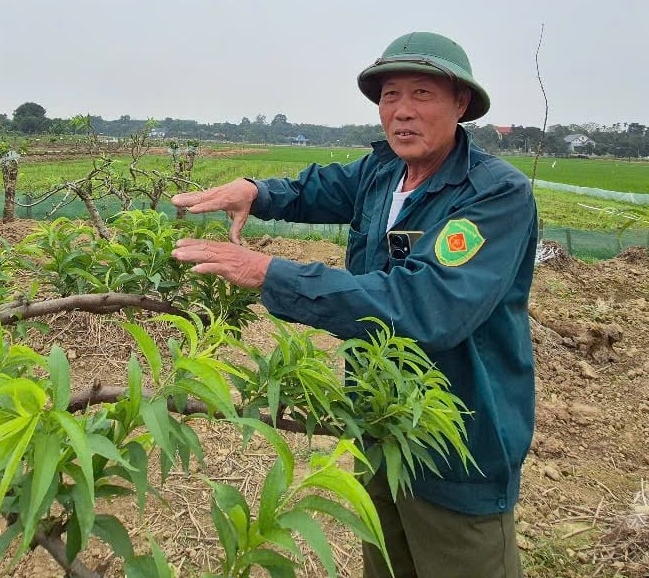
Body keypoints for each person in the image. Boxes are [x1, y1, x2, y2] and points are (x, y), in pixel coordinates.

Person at [171, 31, 536, 578]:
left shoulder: (494, 195)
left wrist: (271, 273)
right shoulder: (385, 171)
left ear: (461, 104)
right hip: (379, 424)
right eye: (390, 94)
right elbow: (318, 188)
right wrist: (256, 190)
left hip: (459, 445)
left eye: (422, 93)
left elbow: (428, 305)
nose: (402, 111)